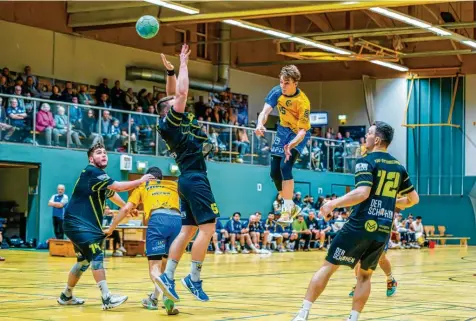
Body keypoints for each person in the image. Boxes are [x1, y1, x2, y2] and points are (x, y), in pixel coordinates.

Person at [291, 121, 420, 321]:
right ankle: (353, 318)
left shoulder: (366, 161)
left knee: (328, 266)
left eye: (368, 134)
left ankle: (303, 313)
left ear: (377, 140)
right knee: (365, 276)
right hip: (382, 229)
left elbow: (362, 193)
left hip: (359, 225)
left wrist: (332, 203)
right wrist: (391, 202)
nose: (365, 137)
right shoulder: (398, 167)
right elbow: (413, 200)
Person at [155, 45, 220, 303]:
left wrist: (170, 71)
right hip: (194, 178)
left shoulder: (168, 121)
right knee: (209, 228)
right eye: (173, 104)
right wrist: (183, 63)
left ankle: (168, 274)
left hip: (186, 180)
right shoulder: (171, 121)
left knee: (187, 230)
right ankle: (193, 278)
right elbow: (180, 93)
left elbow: (173, 92)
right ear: (168, 110)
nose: (179, 102)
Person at [57, 143, 154, 310]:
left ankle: (66, 295)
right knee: (96, 255)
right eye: (99, 153)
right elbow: (118, 186)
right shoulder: (93, 172)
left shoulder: (96, 178)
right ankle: (107, 298)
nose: (103, 155)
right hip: (79, 224)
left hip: (76, 224)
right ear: (91, 158)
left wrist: (127, 207)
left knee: (83, 261)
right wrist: (140, 180)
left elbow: (112, 193)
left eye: (105, 153)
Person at [105, 166, 180, 315]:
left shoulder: (142, 186)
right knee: (165, 267)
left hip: (158, 221)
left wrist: (112, 228)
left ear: (147, 177)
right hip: (178, 222)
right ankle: (154, 299)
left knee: (154, 268)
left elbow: (126, 209)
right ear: (161, 178)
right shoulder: (173, 185)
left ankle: (167, 294)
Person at [255, 65, 311, 225]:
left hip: (298, 134)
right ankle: (292, 205)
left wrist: (291, 145)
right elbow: (265, 112)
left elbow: (302, 132)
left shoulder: (303, 102)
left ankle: (286, 210)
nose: (283, 86)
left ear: (295, 83)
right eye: (281, 82)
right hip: (283, 130)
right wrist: (259, 124)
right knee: (274, 172)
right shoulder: (277, 92)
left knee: (285, 167)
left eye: (286, 83)